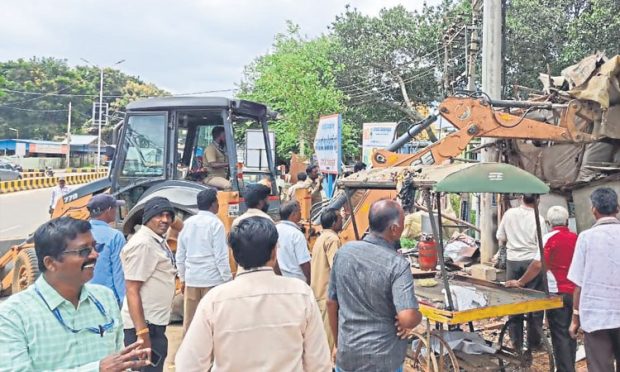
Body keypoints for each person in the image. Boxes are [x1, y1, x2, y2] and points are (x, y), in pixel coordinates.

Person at [175, 217, 332, 371]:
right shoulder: (301, 294)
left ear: (234, 255)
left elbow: (189, 364)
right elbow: (319, 363)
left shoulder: (215, 300)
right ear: (274, 253)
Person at [0, 217, 149, 371]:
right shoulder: (13, 315)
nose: (95, 255)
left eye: (95, 247)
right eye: (84, 251)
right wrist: (96, 369)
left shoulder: (104, 299)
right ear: (50, 263)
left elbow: (119, 361)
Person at [327, 200, 422, 371]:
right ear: (394, 229)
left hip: (348, 354)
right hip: (384, 359)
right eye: (402, 223)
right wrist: (416, 317)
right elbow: (407, 317)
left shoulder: (344, 253)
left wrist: (337, 343)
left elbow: (331, 303)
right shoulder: (397, 264)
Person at [505, 206, 577, 372]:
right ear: (567, 221)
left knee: (560, 335)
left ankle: (566, 369)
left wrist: (521, 282)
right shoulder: (576, 237)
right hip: (575, 293)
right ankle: (569, 366)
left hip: (556, 292)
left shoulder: (548, 238)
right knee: (571, 332)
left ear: (548, 222)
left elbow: (538, 264)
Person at [121, 197, 177, 371]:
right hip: (145, 327)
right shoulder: (143, 244)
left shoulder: (155, 239)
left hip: (154, 325)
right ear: (148, 217)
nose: (165, 220)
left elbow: (179, 227)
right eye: (159, 215)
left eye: (169, 215)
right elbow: (132, 290)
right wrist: (142, 334)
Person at [568, 187, 620, 372]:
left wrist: (575, 318)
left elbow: (578, 283)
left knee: (599, 368)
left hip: (595, 316)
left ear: (594, 210)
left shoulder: (586, 238)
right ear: (618, 208)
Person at [176, 187, 232, 333]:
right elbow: (221, 256)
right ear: (213, 204)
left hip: (192, 279)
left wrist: (182, 278)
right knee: (212, 324)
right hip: (212, 281)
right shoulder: (216, 224)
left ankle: (188, 353)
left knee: (190, 325)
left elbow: (180, 255)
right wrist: (228, 281)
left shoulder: (187, 223)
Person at [496, 193, 547, 351]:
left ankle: (516, 343)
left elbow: (500, 236)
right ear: (538, 200)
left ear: (521, 199)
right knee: (536, 303)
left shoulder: (509, 214)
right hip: (532, 263)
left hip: (513, 262)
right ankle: (534, 343)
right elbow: (542, 244)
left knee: (514, 303)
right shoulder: (540, 219)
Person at [311, 208, 343, 351]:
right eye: (340, 218)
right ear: (334, 222)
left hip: (318, 293)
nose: (342, 220)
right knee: (330, 343)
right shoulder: (332, 239)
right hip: (327, 296)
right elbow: (336, 268)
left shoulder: (321, 238)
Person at [88, 194, 127, 307]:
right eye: (115, 208)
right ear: (109, 210)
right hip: (107, 298)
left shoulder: (78, 232)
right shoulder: (115, 236)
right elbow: (118, 271)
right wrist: (123, 300)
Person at [276, 201, 311, 283]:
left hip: (280, 279)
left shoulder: (274, 229)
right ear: (293, 214)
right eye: (299, 211)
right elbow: (304, 263)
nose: (301, 213)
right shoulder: (296, 234)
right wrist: (309, 281)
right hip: (296, 281)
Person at [203, 126, 231, 190]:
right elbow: (213, 164)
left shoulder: (221, 148)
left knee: (239, 185)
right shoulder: (211, 148)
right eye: (225, 135)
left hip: (222, 176)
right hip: (212, 177)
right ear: (221, 135)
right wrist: (228, 164)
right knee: (229, 185)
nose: (226, 138)